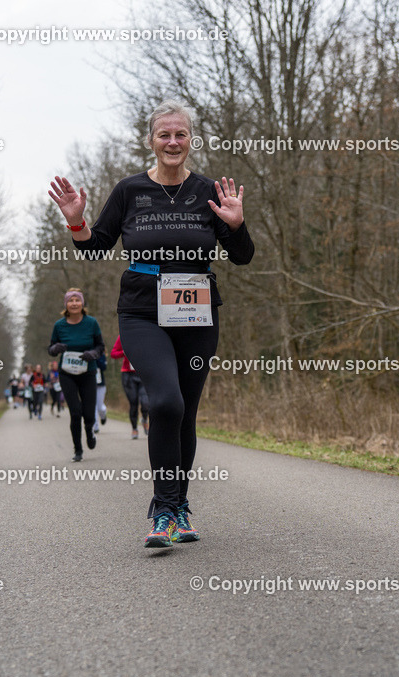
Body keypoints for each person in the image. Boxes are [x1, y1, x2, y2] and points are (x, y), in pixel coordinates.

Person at [48, 99, 254, 548]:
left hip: (198, 311)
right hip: (142, 310)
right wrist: (77, 222)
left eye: (180, 134)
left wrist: (236, 225)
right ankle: (162, 509)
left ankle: (180, 506)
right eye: (165, 135)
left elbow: (242, 256)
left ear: (191, 140)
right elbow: (95, 246)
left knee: (185, 412)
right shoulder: (129, 191)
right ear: (151, 141)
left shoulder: (209, 191)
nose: (173, 142)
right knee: (164, 402)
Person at [47, 288, 105, 461]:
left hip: (88, 372)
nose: (74, 303)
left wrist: (93, 354)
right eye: (70, 300)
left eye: (77, 300)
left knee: (88, 412)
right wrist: (55, 348)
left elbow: (100, 347)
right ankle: (78, 450)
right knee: (75, 412)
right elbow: (50, 349)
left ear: (82, 303)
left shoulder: (91, 323)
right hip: (67, 374)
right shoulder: (59, 325)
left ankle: (89, 430)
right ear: (66, 304)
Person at [111, 335, 149, 439]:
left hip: (143, 374)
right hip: (128, 375)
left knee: (145, 403)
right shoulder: (123, 336)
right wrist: (124, 352)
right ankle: (134, 429)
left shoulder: (147, 335)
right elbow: (113, 354)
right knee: (133, 403)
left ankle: (145, 419)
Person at [92, 355, 108, 434]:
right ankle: (95, 426)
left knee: (100, 407)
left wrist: (96, 358)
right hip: (90, 384)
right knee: (93, 406)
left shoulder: (102, 356)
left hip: (101, 385)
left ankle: (103, 415)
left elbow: (104, 367)